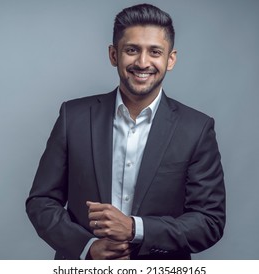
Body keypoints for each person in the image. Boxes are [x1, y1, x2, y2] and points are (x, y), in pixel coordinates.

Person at [26, 3, 226, 260]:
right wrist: (87, 247)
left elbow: (210, 221)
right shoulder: (73, 117)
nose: (143, 62)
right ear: (113, 55)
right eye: (132, 50)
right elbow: (41, 201)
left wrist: (135, 228)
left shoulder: (197, 129)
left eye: (155, 51)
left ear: (170, 59)